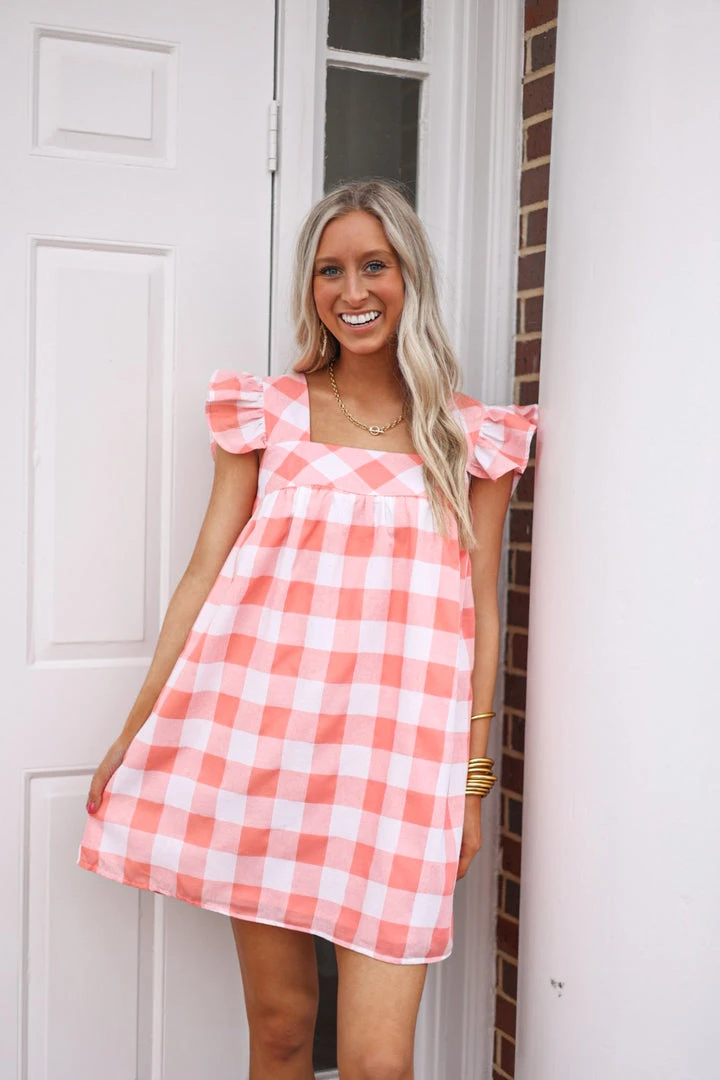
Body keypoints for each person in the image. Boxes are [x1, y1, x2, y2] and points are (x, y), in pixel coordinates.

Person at [78, 179, 537, 1080]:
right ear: (311, 286)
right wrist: (137, 731)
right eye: (330, 270)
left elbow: (480, 610)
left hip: (399, 769)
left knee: (377, 1064)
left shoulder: (471, 438)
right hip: (265, 749)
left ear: (410, 276)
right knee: (284, 1030)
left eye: (374, 265)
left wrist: (473, 784)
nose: (352, 291)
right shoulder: (270, 414)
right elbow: (205, 576)